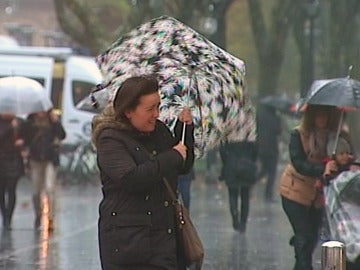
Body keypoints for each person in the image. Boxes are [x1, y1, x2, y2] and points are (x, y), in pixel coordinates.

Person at [91, 75, 195, 270]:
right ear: (129, 110)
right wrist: (172, 156)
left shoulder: (159, 131)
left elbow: (183, 165)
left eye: (158, 106)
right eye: (149, 109)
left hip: (163, 240)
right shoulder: (111, 139)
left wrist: (185, 130)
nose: (156, 114)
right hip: (128, 245)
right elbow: (131, 178)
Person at [279, 104, 343, 270]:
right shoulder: (298, 134)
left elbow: (345, 157)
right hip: (294, 191)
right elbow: (299, 163)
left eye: (325, 115)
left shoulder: (336, 137)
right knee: (304, 234)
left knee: (312, 238)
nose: (321, 119)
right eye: (318, 115)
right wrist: (322, 169)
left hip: (317, 196)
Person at [20, 109, 66, 231]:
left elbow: (62, 135)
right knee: (36, 191)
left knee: (49, 188)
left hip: (50, 159)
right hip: (35, 159)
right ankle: (38, 214)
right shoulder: (30, 122)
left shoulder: (52, 122)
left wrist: (56, 122)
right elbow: (24, 137)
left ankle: (50, 217)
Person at [219, 139, 257, 233]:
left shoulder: (228, 127)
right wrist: (251, 160)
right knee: (245, 196)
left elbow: (222, 149)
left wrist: (226, 162)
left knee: (232, 194)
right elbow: (256, 149)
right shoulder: (249, 129)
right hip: (246, 164)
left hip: (231, 165)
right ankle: (243, 223)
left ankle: (235, 219)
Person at [0, 114, 25, 230]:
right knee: (1, 191)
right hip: (1, 159)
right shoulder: (7, 125)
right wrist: (11, 128)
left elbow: (27, 137)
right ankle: (4, 214)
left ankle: (8, 218)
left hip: (14, 160)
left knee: (11, 190)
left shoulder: (19, 123)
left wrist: (22, 142)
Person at [256, 104, 282, 202]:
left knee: (264, 170)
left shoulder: (260, 116)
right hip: (272, 148)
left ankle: (251, 182)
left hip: (261, 147)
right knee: (271, 172)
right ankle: (268, 195)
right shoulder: (275, 118)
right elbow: (278, 131)